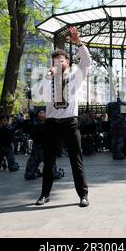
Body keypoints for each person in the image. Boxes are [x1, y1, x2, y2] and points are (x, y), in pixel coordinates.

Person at [32, 26, 91, 207]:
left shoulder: (75, 77)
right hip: (51, 124)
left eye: (61, 60)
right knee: (48, 161)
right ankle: (44, 195)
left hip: (70, 124)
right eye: (55, 61)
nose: (58, 63)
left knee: (76, 160)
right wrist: (48, 75)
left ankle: (83, 195)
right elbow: (36, 95)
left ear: (68, 62)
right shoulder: (48, 79)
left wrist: (78, 43)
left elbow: (87, 62)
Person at [24, 88, 64, 180]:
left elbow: (55, 108)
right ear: (37, 115)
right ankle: (37, 173)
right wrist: (30, 98)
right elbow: (31, 110)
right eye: (40, 112)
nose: (42, 113)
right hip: (36, 150)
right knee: (28, 176)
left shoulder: (50, 122)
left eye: (44, 112)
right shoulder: (35, 122)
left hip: (48, 150)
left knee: (54, 176)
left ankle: (59, 171)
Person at [106, 93, 126, 160]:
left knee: (114, 139)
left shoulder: (110, 104)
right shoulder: (124, 105)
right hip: (121, 124)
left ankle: (114, 154)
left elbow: (108, 114)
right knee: (120, 139)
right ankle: (119, 154)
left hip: (113, 124)